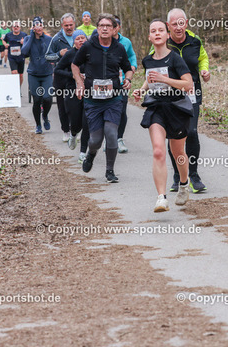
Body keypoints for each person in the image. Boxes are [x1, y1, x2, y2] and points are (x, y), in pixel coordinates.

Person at [133, 19, 193, 212]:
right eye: (153, 31)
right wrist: (141, 90)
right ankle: (161, 198)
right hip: (156, 107)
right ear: (149, 37)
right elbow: (149, 79)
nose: (157, 33)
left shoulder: (175, 58)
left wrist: (164, 79)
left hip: (177, 108)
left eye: (161, 30)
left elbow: (188, 84)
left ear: (167, 35)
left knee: (178, 153)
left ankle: (183, 183)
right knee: (158, 151)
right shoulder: (147, 60)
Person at [72, 13, 133, 183]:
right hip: (93, 101)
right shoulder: (88, 46)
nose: (105, 29)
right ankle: (91, 154)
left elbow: (128, 68)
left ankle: (110, 171)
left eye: (108, 26)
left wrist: (128, 79)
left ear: (114, 29)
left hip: (113, 100)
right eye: (101, 26)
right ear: (97, 28)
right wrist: (79, 83)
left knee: (111, 134)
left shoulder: (119, 48)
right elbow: (75, 64)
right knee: (95, 140)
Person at [166, 8, 210, 193]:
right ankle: (178, 176)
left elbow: (203, 58)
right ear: (168, 26)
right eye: (174, 24)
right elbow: (153, 62)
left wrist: (204, 70)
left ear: (186, 23)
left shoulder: (195, 40)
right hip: (169, 95)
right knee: (175, 135)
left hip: (192, 93)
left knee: (191, 132)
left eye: (181, 23)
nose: (178, 27)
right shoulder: (162, 42)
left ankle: (194, 175)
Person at [54, 30, 90, 155]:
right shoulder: (70, 54)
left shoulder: (91, 52)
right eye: (77, 39)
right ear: (74, 41)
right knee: (75, 120)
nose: (81, 40)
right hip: (72, 90)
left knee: (87, 120)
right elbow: (57, 69)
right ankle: (73, 134)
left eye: (82, 38)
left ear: (86, 39)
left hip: (89, 91)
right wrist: (73, 75)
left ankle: (83, 152)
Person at [46, 13, 77, 143]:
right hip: (60, 76)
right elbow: (48, 57)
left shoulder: (80, 37)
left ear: (74, 24)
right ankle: (66, 130)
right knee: (62, 105)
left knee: (74, 105)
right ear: (62, 25)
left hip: (76, 76)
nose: (69, 27)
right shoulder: (56, 39)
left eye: (71, 25)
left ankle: (75, 129)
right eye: (66, 25)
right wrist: (59, 54)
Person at [21, 16, 53, 134]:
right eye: (35, 25)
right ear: (33, 27)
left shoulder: (48, 39)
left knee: (47, 98)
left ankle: (45, 115)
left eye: (40, 25)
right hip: (33, 73)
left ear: (43, 26)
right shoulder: (28, 38)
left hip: (47, 73)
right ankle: (38, 125)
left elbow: (53, 53)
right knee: (37, 100)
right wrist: (31, 36)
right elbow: (24, 52)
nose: (38, 28)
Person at [113, 15, 137, 153]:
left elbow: (132, 55)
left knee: (121, 110)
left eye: (115, 25)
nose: (113, 28)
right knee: (107, 109)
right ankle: (109, 138)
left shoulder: (126, 42)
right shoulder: (101, 41)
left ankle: (119, 139)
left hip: (122, 81)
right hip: (106, 83)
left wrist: (133, 66)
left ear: (119, 27)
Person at [3, 21, 28, 87]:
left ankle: (19, 88)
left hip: (21, 57)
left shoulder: (24, 35)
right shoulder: (8, 35)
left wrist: (24, 42)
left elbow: (28, 44)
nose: (16, 28)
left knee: (20, 75)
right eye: (14, 26)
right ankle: (15, 88)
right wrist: (5, 44)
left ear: (20, 27)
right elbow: (3, 40)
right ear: (12, 27)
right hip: (12, 57)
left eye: (17, 26)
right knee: (14, 73)